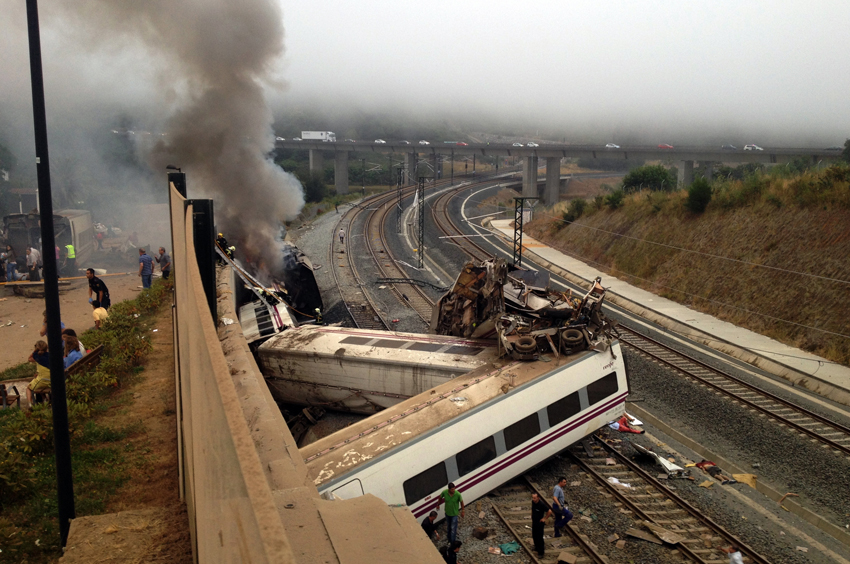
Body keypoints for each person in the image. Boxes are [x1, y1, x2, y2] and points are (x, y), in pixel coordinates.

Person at [26, 341, 51, 407]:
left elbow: (29, 359)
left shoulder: (37, 356)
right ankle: (45, 399)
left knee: (29, 388)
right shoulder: (50, 355)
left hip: (43, 381)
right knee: (39, 384)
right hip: (52, 381)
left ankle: (30, 404)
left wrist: (34, 351)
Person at [530, 492, 553, 557]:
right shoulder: (533, 502)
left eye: (535, 498)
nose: (533, 499)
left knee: (539, 537)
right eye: (533, 498)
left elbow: (549, 511)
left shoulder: (541, 504)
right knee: (534, 535)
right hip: (534, 522)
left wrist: (544, 518)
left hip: (540, 523)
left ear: (538, 498)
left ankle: (541, 552)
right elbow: (532, 509)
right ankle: (536, 547)